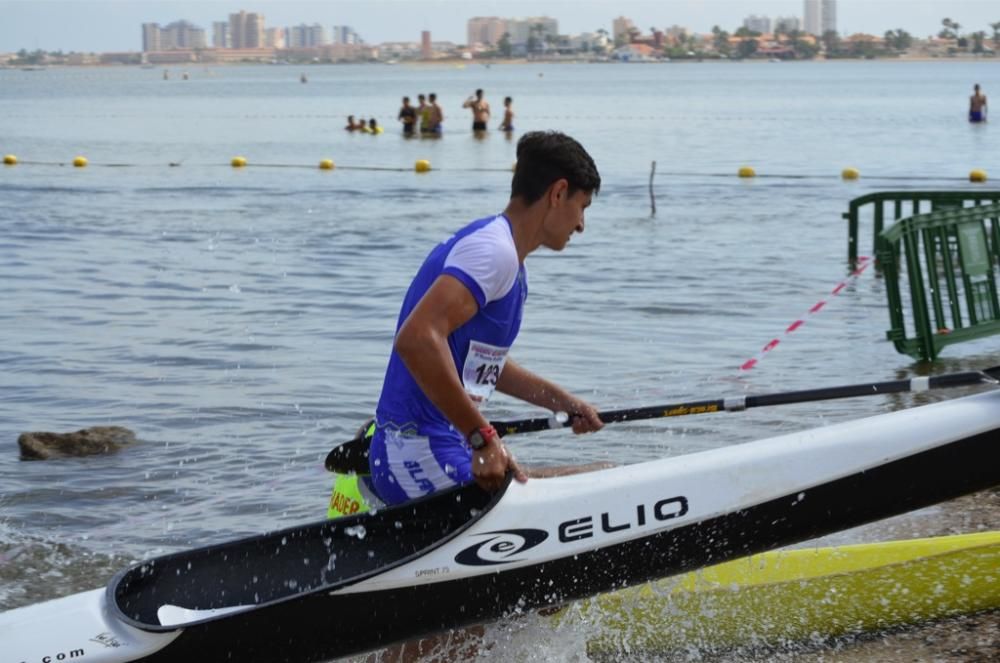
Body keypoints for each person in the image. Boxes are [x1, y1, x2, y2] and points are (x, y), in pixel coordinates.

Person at [367, 131, 606, 506]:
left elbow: (475, 361)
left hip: (439, 443)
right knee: (598, 485)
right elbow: (417, 339)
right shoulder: (494, 253)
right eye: (583, 206)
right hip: (416, 451)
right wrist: (483, 438)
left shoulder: (506, 256)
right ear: (558, 193)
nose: (581, 225)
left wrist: (560, 401)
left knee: (596, 477)